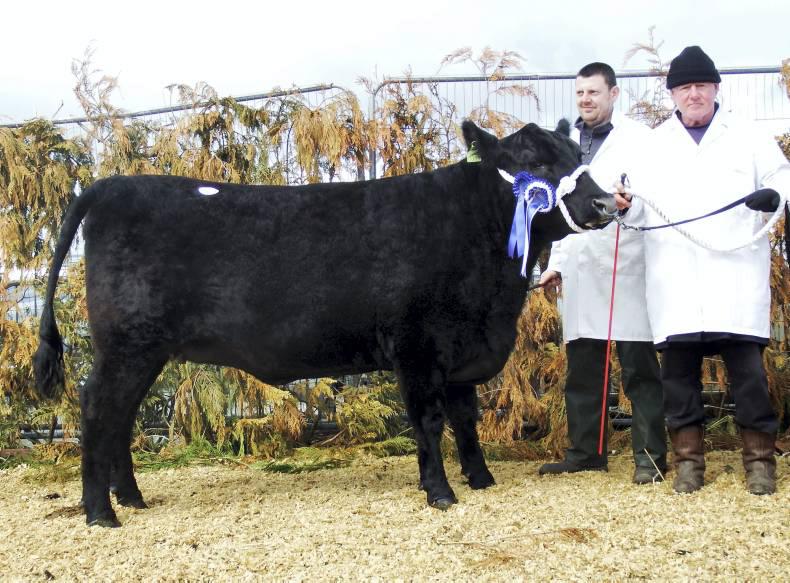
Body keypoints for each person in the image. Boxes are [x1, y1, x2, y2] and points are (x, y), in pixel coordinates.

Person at [615, 46, 789, 495]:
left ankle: (759, 463)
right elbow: (636, 212)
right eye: (684, 87)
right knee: (678, 380)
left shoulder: (748, 135)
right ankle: (689, 463)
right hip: (676, 280)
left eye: (701, 85)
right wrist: (625, 207)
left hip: (735, 274)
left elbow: (782, 176)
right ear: (673, 93)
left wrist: (771, 194)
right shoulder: (652, 145)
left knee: (748, 377)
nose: (693, 94)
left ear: (716, 88)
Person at [538, 62, 667, 484]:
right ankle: (585, 452)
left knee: (639, 368)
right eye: (580, 93)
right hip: (580, 265)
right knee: (583, 367)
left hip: (626, 261)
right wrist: (555, 262)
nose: (586, 100)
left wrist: (633, 202)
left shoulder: (642, 141)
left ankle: (649, 457)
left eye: (594, 92)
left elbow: (656, 193)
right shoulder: (567, 143)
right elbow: (561, 208)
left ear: (614, 94)